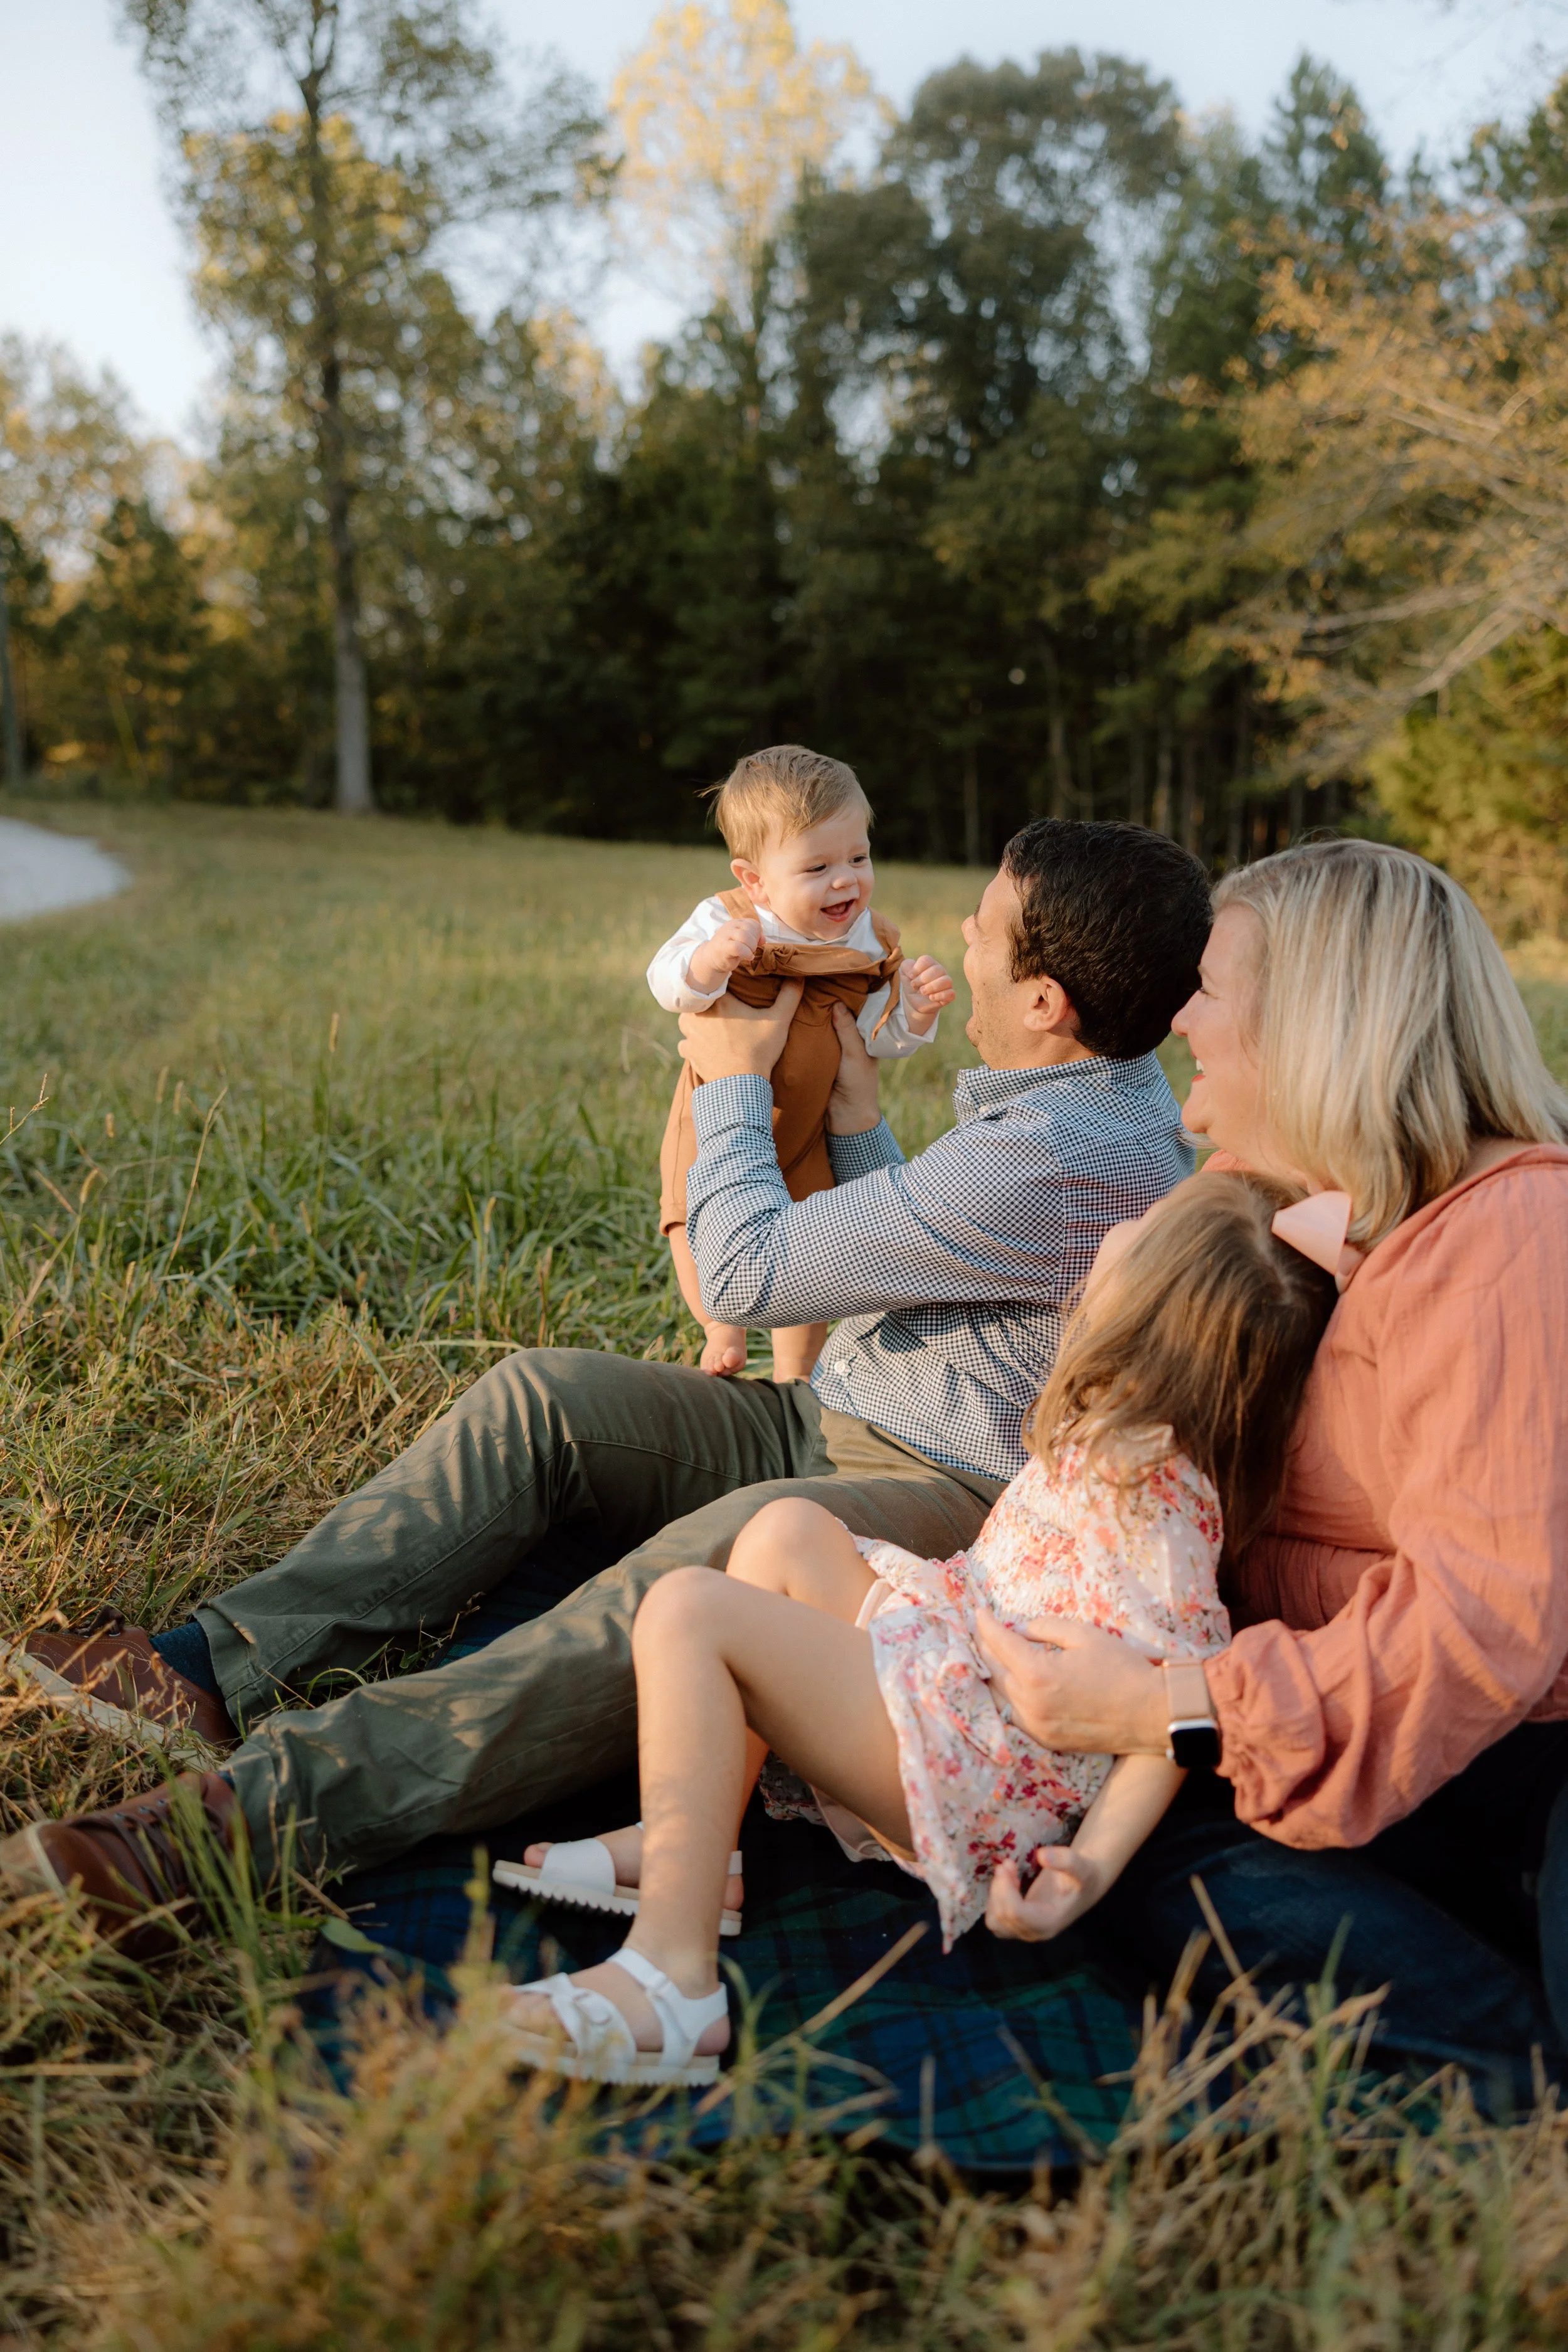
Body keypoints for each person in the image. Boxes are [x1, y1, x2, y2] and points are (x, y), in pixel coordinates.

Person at [0, 820, 1213, 1949]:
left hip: (938, 1495)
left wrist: (732, 1072)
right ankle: (211, 1666)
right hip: (838, 1418)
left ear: (1047, 1003)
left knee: (675, 1580)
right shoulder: (1099, 1095)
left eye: (987, 934)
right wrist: (856, 1122)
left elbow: (743, 1275)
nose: (958, 937)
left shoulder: (1052, 1154)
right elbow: (926, 1241)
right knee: (543, 1400)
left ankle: (244, 1819)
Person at [501, 1174, 1337, 2088]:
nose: (1122, 1226)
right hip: (950, 1665)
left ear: (1153, 1307)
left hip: (978, 1768)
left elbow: (1178, 1706)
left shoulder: (1161, 1499)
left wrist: (1089, 1868)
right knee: (787, 1530)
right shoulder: (1115, 1426)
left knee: (691, 1612)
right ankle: (697, 1844)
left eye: (1142, 1230)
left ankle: (670, 1983)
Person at [967, 839, 1568, 2107]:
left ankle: (1508, 2072)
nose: (1176, 1015)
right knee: (1129, 1854)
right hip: (1347, 1722)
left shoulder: (1509, 1234)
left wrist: (1166, 1705)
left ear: (1316, 1024)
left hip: (1524, 1761)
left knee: (1171, 1831)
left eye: (1210, 990)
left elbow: (1481, 1625)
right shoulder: (1265, 1196)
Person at [649, 743, 953, 1381]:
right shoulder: (727, 920)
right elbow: (669, 983)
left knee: (808, 1241)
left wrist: (914, 1018)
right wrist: (710, 963)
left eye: (858, 858)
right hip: (721, 1107)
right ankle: (719, 1326)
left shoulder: (870, 942)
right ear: (754, 880)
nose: (845, 880)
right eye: (816, 867)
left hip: (812, 1123)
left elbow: (875, 1038)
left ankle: (794, 1372)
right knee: (688, 1212)